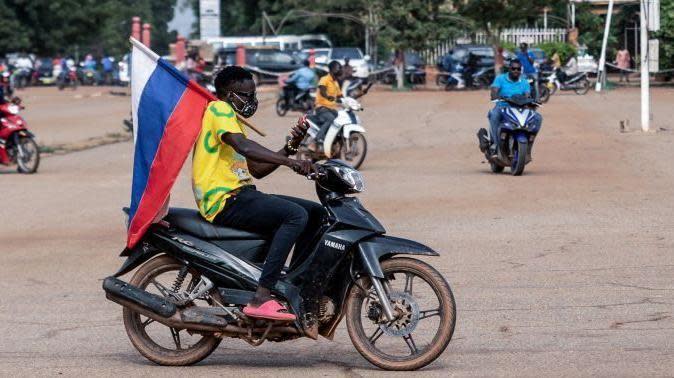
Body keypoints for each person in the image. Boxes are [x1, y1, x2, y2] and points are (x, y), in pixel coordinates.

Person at [192, 66, 324, 323]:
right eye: (246, 95)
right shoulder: (218, 110)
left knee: (316, 213)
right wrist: (291, 163)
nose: (252, 101)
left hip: (242, 193)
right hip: (223, 198)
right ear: (229, 95)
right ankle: (261, 297)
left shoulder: (232, 119)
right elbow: (245, 147)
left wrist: (290, 147)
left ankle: (293, 284)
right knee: (295, 216)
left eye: (253, 94)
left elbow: (258, 169)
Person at [487, 60, 541, 155]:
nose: (516, 71)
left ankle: (529, 144)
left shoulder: (524, 82)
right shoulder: (500, 79)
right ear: (509, 69)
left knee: (537, 117)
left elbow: (527, 95)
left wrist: (532, 101)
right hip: (503, 106)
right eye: (513, 68)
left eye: (518, 69)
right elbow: (494, 90)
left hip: (519, 108)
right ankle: (495, 144)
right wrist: (495, 95)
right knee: (494, 115)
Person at [312, 60, 343, 149]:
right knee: (331, 119)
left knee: (341, 120)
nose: (341, 70)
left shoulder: (335, 83)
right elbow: (322, 91)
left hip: (332, 109)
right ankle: (318, 139)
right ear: (332, 69)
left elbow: (341, 96)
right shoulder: (324, 79)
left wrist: (354, 99)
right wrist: (327, 96)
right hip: (322, 108)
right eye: (339, 68)